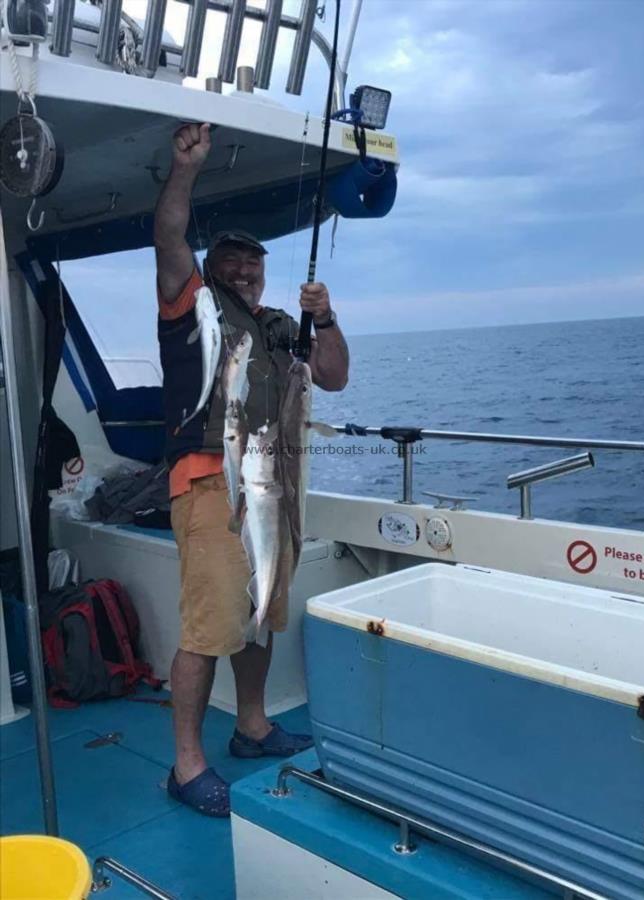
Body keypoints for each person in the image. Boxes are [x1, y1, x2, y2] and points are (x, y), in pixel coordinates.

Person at [154, 122, 349, 817]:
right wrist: (186, 171)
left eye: (252, 261)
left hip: (274, 485)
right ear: (212, 265)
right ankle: (185, 767)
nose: (243, 269)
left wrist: (323, 319)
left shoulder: (275, 324)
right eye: (231, 258)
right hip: (210, 483)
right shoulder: (191, 308)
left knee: (263, 613)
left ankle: (252, 725)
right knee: (209, 627)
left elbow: (332, 378)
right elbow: (170, 239)